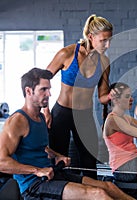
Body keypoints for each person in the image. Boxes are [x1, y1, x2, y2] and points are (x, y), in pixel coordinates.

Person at [0, 68, 134, 200]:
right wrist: (36, 170)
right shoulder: (17, 121)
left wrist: (57, 156)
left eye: (49, 89)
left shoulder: (40, 117)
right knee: (97, 194)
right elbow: (1, 162)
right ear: (28, 91)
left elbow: (40, 147)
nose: (49, 94)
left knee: (108, 187)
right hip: (35, 185)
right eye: (43, 90)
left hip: (53, 174)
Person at [44, 14, 115, 178]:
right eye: (103, 40)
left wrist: (112, 96)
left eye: (109, 40)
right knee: (60, 159)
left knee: (89, 160)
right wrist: (45, 110)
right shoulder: (66, 54)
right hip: (62, 113)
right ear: (91, 37)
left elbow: (102, 96)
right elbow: (42, 79)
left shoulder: (104, 62)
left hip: (84, 115)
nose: (108, 44)